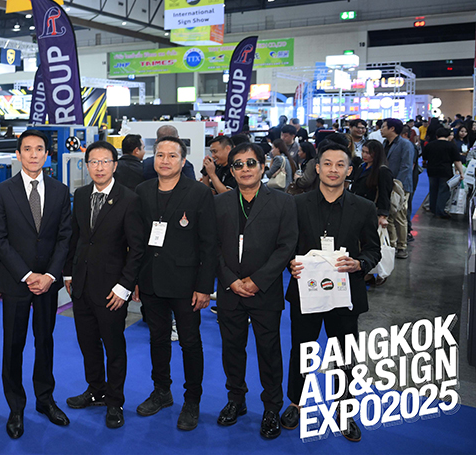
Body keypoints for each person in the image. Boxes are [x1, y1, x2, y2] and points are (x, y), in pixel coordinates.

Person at [280, 141, 380, 442]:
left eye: (340, 165)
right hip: (306, 292)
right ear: (317, 167)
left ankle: (344, 408)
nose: (333, 170)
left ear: (349, 170)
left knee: (345, 354)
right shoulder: (297, 204)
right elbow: (285, 245)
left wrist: (360, 263)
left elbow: (373, 250)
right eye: (327, 163)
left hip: (345, 294)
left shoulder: (364, 207)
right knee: (302, 349)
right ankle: (296, 403)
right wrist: (290, 263)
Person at [0, 129, 73, 439]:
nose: (34, 154)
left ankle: (45, 399)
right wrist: (26, 275)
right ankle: (16, 406)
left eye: (40, 149)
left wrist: (49, 275)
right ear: (18, 154)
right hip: (16, 282)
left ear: (47, 155)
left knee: (45, 341)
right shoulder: (2, 192)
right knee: (13, 345)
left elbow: (64, 237)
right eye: (28, 149)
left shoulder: (60, 191)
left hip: (47, 284)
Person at [134, 136, 217, 431]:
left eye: (172, 155)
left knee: (190, 342)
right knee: (157, 339)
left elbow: (209, 244)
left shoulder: (198, 192)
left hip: (187, 283)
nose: (165, 160)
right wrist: (135, 279)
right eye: (160, 155)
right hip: (151, 280)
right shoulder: (142, 191)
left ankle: (192, 400)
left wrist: (204, 286)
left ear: (183, 161)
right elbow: (136, 240)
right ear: (153, 159)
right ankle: (162, 391)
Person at [214, 143, 297, 439]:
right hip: (230, 290)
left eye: (251, 163)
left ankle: (272, 407)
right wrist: (230, 280)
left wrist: (258, 280)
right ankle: (236, 399)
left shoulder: (283, 202)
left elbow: (286, 246)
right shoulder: (220, 203)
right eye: (238, 164)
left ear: (263, 167)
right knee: (231, 349)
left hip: (265, 290)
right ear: (231, 170)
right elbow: (211, 246)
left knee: (269, 351)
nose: (245, 169)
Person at [63, 141, 143, 430]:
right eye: (93, 162)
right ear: (87, 166)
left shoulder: (129, 199)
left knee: (114, 346)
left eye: (105, 162)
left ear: (115, 165)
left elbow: (137, 249)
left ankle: (115, 401)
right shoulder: (81, 195)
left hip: (112, 290)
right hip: (81, 285)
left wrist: (124, 287)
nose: (99, 167)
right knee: (88, 343)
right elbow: (75, 237)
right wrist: (68, 274)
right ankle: (95, 389)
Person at [350, 140, 394, 286]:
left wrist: (383, 215)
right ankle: (365, 273)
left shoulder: (382, 171)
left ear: (376, 154)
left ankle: (369, 273)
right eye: (363, 151)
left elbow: (384, 195)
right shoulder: (362, 166)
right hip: (357, 209)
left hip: (372, 212)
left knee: (369, 243)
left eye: (368, 153)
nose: (364, 155)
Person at [381, 119, 413, 259]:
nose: (381, 129)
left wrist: (397, 185)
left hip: (400, 186)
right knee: (388, 214)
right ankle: (392, 244)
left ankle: (402, 246)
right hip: (387, 183)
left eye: (383, 127)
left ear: (392, 128)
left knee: (399, 216)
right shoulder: (385, 143)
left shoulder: (405, 144)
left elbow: (406, 166)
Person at [423, 126, 465, 219]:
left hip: (432, 170)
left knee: (433, 190)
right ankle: (440, 211)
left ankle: (433, 209)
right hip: (445, 171)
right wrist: (461, 173)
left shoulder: (430, 145)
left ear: (437, 136)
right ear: (448, 136)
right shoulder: (451, 146)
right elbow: (457, 161)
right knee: (443, 191)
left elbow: (424, 158)